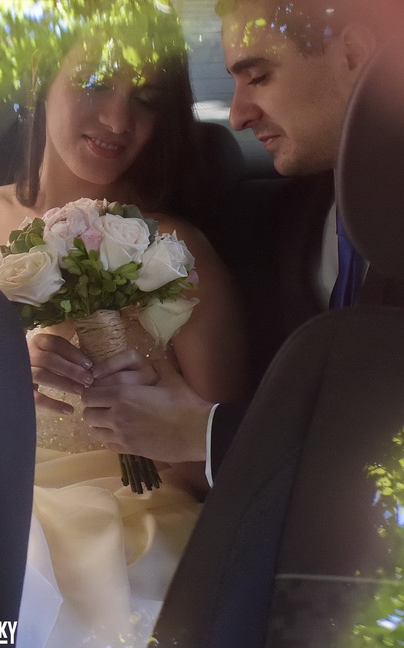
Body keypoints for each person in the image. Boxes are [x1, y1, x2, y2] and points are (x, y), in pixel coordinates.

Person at [0, 3, 247, 648]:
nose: (120, 121)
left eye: (147, 100)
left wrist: (150, 419)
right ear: (41, 70)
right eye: (95, 82)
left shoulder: (181, 252)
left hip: (135, 523)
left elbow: (235, 470)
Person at [79, 0, 382, 487]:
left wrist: (205, 434)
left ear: (353, 54)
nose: (236, 115)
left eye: (258, 76)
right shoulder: (284, 219)